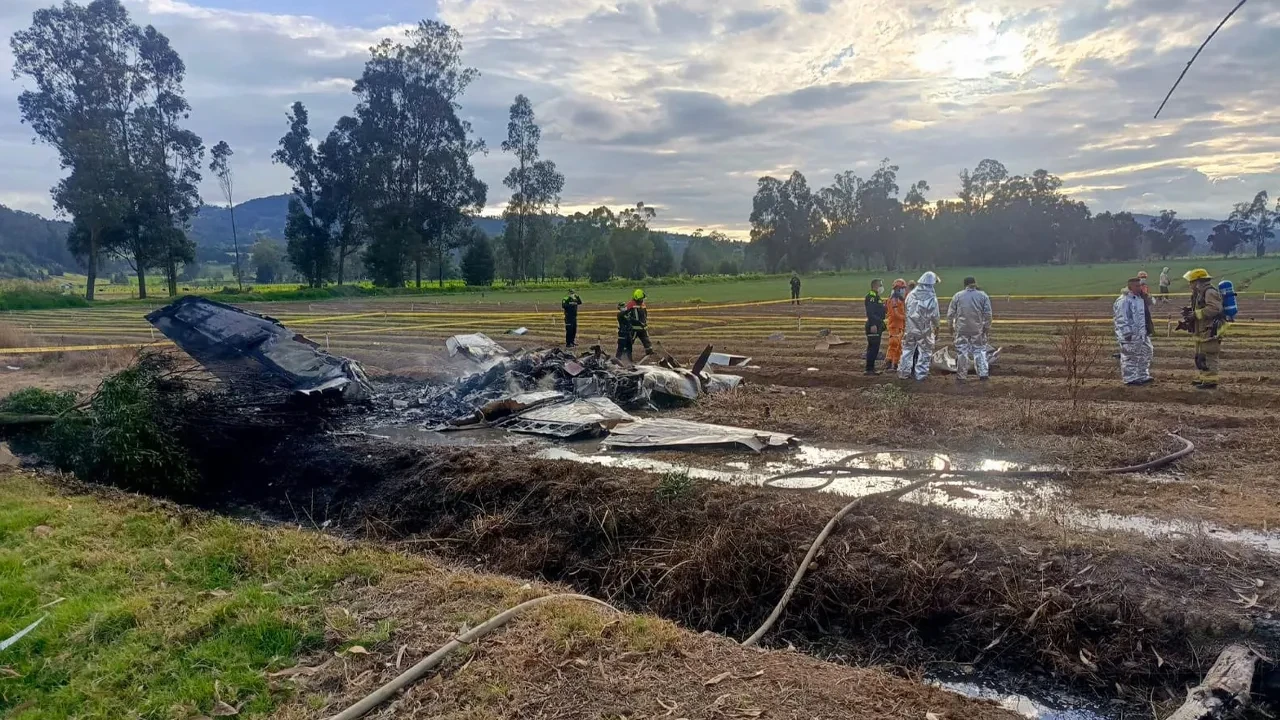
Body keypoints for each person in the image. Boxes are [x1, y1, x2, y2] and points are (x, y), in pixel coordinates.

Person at [1183, 268, 1225, 389]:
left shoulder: (1209, 292)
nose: (1189, 284)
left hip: (1211, 329)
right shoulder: (1200, 293)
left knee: (1209, 354)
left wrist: (1196, 314)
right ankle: (1204, 378)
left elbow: (1215, 309)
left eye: (1191, 282)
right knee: (1201, 355)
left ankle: (1211, 381)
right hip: (1202, 329)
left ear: (1198, 281)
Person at [947, 276, 993, 381]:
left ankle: (961, 376)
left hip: (961, 328)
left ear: (964, 285)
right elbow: (988, 314)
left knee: (962, 351)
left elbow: (950, 314)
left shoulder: (957, 296)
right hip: (977, 328)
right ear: (975, 283)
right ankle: (983, 373)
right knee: (979, 350)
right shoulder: (983, 296)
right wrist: (986, 327)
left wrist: (950, 326)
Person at [898, 272, 941, 381]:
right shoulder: (931, 297)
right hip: (924, 329)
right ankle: (921, 374)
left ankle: (903, 373)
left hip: (910, 328)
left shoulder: (911, 295)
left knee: (907, 350)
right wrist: (937, 327)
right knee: (925, 352)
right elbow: (935, 315)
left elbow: (906, 308)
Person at [1113, 277, 1154, 386]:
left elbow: (1151, 303)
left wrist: (1146, 296)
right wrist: (1126, 333)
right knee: (1130, 356)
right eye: (1137, 286)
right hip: (1130, 335)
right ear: (1130, 287)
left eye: (1140, 285)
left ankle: (1142, 375)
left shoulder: (1140, 299)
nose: (1139, 287)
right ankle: (1130, 378)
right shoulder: (1124, 300)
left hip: (1142, 333)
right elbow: (1121, 318)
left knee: (1146, 352)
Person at [864, 279, 887, 375]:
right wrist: (873, 324)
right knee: (873, 348)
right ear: (875, 286)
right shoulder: (871, 297)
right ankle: (869, 369)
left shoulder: (877, 297)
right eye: (880, 285)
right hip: (873, 325)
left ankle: (871, 368)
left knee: (874, 348)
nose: (882, 287)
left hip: (877, 324)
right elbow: (870, 312)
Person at [885, 279, 908, 372]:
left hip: (899, 325)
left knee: (899, 346)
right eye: (902, 288)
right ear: (897, 288)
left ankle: (894, 364)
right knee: (894, 345)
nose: (904, 290)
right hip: (895, 325)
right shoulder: (894, 299)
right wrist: (905, 318)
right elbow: (895, 314)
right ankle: (890, 364)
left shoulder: (899, 298)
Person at [625, 289, 654, 358]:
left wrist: (644, 323)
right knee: (629, 343)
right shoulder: (630, 305)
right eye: (641, 299)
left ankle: (650, 355)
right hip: (633, 329)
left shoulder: (642, 304)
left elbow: (645, 314)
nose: (642, 300)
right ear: (637, 299)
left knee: (647, 342)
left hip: (643, 328)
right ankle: (626, 357)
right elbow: (627, 317)